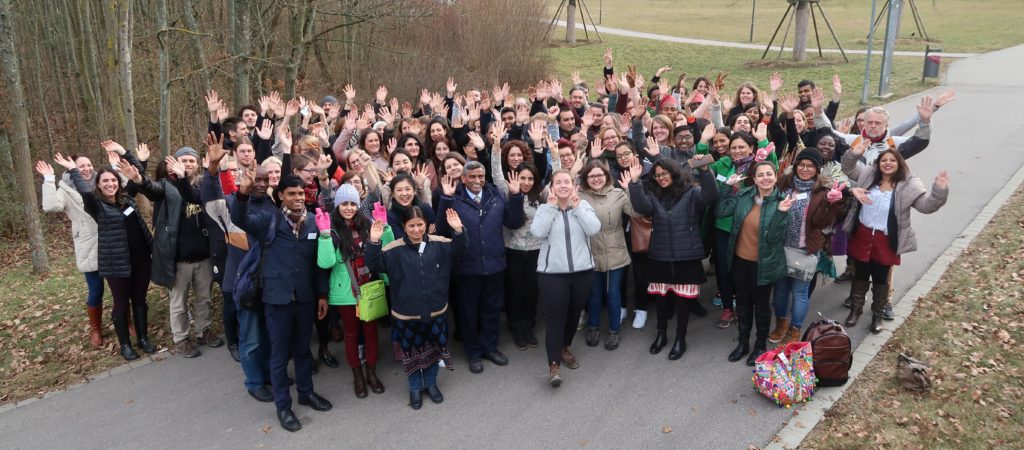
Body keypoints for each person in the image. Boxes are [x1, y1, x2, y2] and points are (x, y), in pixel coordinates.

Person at [231, 173, 333, 432]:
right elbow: (239, 219)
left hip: (305, 297)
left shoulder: (313, 222)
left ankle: (306, 393)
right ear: (281, 196)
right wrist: (242, 194)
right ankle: (283, 406)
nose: (298, 198)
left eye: (301, 194)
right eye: (292, 194)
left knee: (302, 350)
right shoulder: (269, 219)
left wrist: (321, 295)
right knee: (279, 355)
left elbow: (319, 265)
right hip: (277, 298)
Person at [365, 208, 468, 410]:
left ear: (425, 224)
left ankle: (430, 384)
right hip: (406, 314)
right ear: (404, 226)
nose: (416, 229)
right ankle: (414, 387)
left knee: (433, 351)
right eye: (411, 225)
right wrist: (374, 242)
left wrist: (458, 230)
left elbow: (460, 248)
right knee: (410, 353)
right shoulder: (393, 249)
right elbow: (374, 264)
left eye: (420, 224)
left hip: (436, 310)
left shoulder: (439, 243)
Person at [58, 150, 157, 361]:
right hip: (116, 263)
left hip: (140, 260)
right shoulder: (96, 205)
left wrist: (138, 159)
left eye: (113, 180)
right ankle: (125, 345)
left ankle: (143, 339)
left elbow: (136, 177)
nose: (110, 184)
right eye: (105, 181)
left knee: (140, 300)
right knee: (121, 304)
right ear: (99, 185)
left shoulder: (127, 200)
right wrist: (74, 171)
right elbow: (84, 192)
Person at [841, 143, 949, 333]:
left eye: (892, 160)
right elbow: (848, 168)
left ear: (900, 164)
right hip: (863, 235)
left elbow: (927, 206)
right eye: (884, 160)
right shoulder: (867, 175)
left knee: (881, 278)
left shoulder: (909, 184)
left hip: (886, 240)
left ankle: (877, 315)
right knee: (860, 274)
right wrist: (854, 153)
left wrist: (939, 190)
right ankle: (855, 311)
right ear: (878, 163)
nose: (888, 163)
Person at [200, 134, 276, 403]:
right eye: (257, 179)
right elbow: (209, 201)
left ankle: (269, 375)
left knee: (267, 334)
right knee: (251, 336)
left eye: (265, 180)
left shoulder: (272, 204)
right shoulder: (232, 205)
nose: (261, 184)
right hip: (244, 283)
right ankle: (254, 381)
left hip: (269, 282)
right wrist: (212, 169)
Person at [130, 146, 223, 358]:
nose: (188, 164)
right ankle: (181, 339)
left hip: (204, 257)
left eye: (192, 160)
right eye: (184, 160)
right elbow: (149, 188)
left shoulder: (203, 186)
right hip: (179, 260)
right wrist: (138, 176)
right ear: (174, 164)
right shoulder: (166, 186)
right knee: (179, 303)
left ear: (197, 164)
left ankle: (203, 330)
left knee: (204, 297)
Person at [436, 160, 525, 374]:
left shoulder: (495, 196)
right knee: (469, 313)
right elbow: (441, 230)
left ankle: (490, 348)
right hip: (467, 268)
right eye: (472, 177)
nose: (477, 181)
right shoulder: (454, 199)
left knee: (492, 310)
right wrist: (445, 199)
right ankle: (473, 352)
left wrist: (516, 196)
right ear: (463, 178)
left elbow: (513, 222)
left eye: (480, 176)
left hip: (494, 265)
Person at [626, 156, 718, 359]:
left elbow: (710, 195)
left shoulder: (692, 193)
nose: (661, 178)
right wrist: (634, 183)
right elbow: (641, 207)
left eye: (664, 173)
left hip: (687, 255)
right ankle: (661, 334)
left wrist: (704, 171)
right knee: (661, 299)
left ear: (674, 173)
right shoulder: (653, 195)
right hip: (661, 255)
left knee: (682, 300)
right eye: (657, 175)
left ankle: (680, 338)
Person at [316, 184, 392, 398]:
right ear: (338, 205)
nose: (349, 208)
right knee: (352, 334)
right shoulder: (331, 229)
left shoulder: (366, 224)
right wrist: (323, 236)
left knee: (370, 332)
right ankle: (357, 375)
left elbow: (385, 249)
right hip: (346, 292)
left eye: (352, 203)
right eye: (344, 203)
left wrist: (384, 228)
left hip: (369, 286)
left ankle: (371, 372)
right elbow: (326, 262)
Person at [716, 162, 794, 366]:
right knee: (742, 303)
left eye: (769, 174)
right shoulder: (743, 196)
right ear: (755, 178)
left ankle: (759, 345)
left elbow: (775, 238)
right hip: (740, 261)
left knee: (761, 306)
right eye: (761, 174)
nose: (765, 178)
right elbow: (720, 212)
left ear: (775, 177)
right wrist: (726, 187)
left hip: (764, 264)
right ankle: (743, 343)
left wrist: (782, 213)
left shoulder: (782, 201)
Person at [767, 149, 845, 346]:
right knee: (780, 290)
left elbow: (821, 223)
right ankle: (781, 324)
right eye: (801, 164)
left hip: (804, 249)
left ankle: (795, 329)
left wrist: (830, 204)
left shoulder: (822, 192)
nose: (805, 169)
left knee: (800, 292)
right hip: (781, 247)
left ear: (817, 170)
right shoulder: (784, 184)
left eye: (810, 166)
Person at [531, 169, 601, 387]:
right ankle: (553, 365)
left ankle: (564, 348)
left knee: (573, 315)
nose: (563, 185)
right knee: (555, 319)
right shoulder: (544, 208)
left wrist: (577, 206)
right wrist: (552, 207)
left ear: (574, 186)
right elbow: (538, 232)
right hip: (552, 274)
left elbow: (594, 228)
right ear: (552, 187)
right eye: (558, 182)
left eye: (567, 182)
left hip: (582, 272)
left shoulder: (583, 206)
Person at [37, 155, 104, 347]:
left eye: (89, 164)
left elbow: (122, 189)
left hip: (111, 240)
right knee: (95, 290)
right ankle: (96, 329)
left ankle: (127, 321)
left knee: (120, 287)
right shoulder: (65, 189)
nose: (87, 168)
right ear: (71, 168)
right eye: (81, 166)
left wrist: (116, 164)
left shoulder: (102, 181)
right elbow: (50, 206)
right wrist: (48, 179)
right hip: (87, 242)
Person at [490, 137, 545, 350]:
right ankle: (516, 326)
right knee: (514, 290)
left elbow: (558, 181)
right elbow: (496, 174)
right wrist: (496, 148)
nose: (526, 182)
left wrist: (556, 157)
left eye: (530, 178)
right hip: (512, 250)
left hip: (535, 251)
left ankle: (528, 325)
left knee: (532, 290)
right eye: (523, 178)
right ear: (516, 178)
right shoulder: (508, 191)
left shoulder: (540, 195)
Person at [578, 160, 638, 350]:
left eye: (600, 175)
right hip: (590, 249)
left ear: (606, 176)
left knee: (613, 293)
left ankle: (614, 329)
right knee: (594, 293)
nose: (596, 179)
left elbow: (636, 213)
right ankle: (594, 326)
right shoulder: (579, 195)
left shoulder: (618, 193)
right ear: (586, 178)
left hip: (615, 249)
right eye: (592, 176)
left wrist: (630, 189)